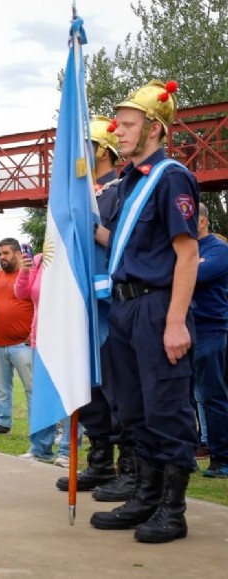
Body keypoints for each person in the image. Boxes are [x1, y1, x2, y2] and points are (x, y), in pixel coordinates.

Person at [89, 80, 200, 544]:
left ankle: (172, 510)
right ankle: (146, 496)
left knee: (165, 407)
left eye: (130, 124)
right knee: (133, 408)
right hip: (125, 307)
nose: (120, 130)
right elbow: (129, 246)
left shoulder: (170, 176)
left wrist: (175, 321)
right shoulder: (130, 181)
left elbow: (187, 253)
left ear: (154, 128)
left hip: (157, 308)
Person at [57, 115, 137, 502]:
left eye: (84, 147)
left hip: (107, 302)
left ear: (101, 151)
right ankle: (100, 460)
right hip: (82, 303)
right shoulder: (83, 193)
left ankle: (128, 468)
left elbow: (120, 243)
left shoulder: (118, 190)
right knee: (88, 386)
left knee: (115, 387)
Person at [13, 246, 74, 466]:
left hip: (69, 340)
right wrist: (25, 270)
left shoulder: (74, 259)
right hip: (41, 339)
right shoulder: (39, 261)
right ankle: (40, 448)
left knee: (70, 397)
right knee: (43, 396)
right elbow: (21, 293)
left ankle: (67, 450)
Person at [0, 238, 35, 438]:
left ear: (18, 254)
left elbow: (40, 304)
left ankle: (36, 426)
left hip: (23, 344)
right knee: (1, 387)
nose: (2, 258)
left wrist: (34, 332)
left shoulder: (29, 275)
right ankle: (2, 422)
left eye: (5, 253)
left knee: (32, 388)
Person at [191, 202, 228, 479]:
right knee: (184, 397)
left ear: (203, 221)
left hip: (211, 330)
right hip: (184, 330)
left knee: (213, 395)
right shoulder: (183, 249)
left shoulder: (218, 250)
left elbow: (196, 275)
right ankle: (187, 453)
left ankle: (221, 457)